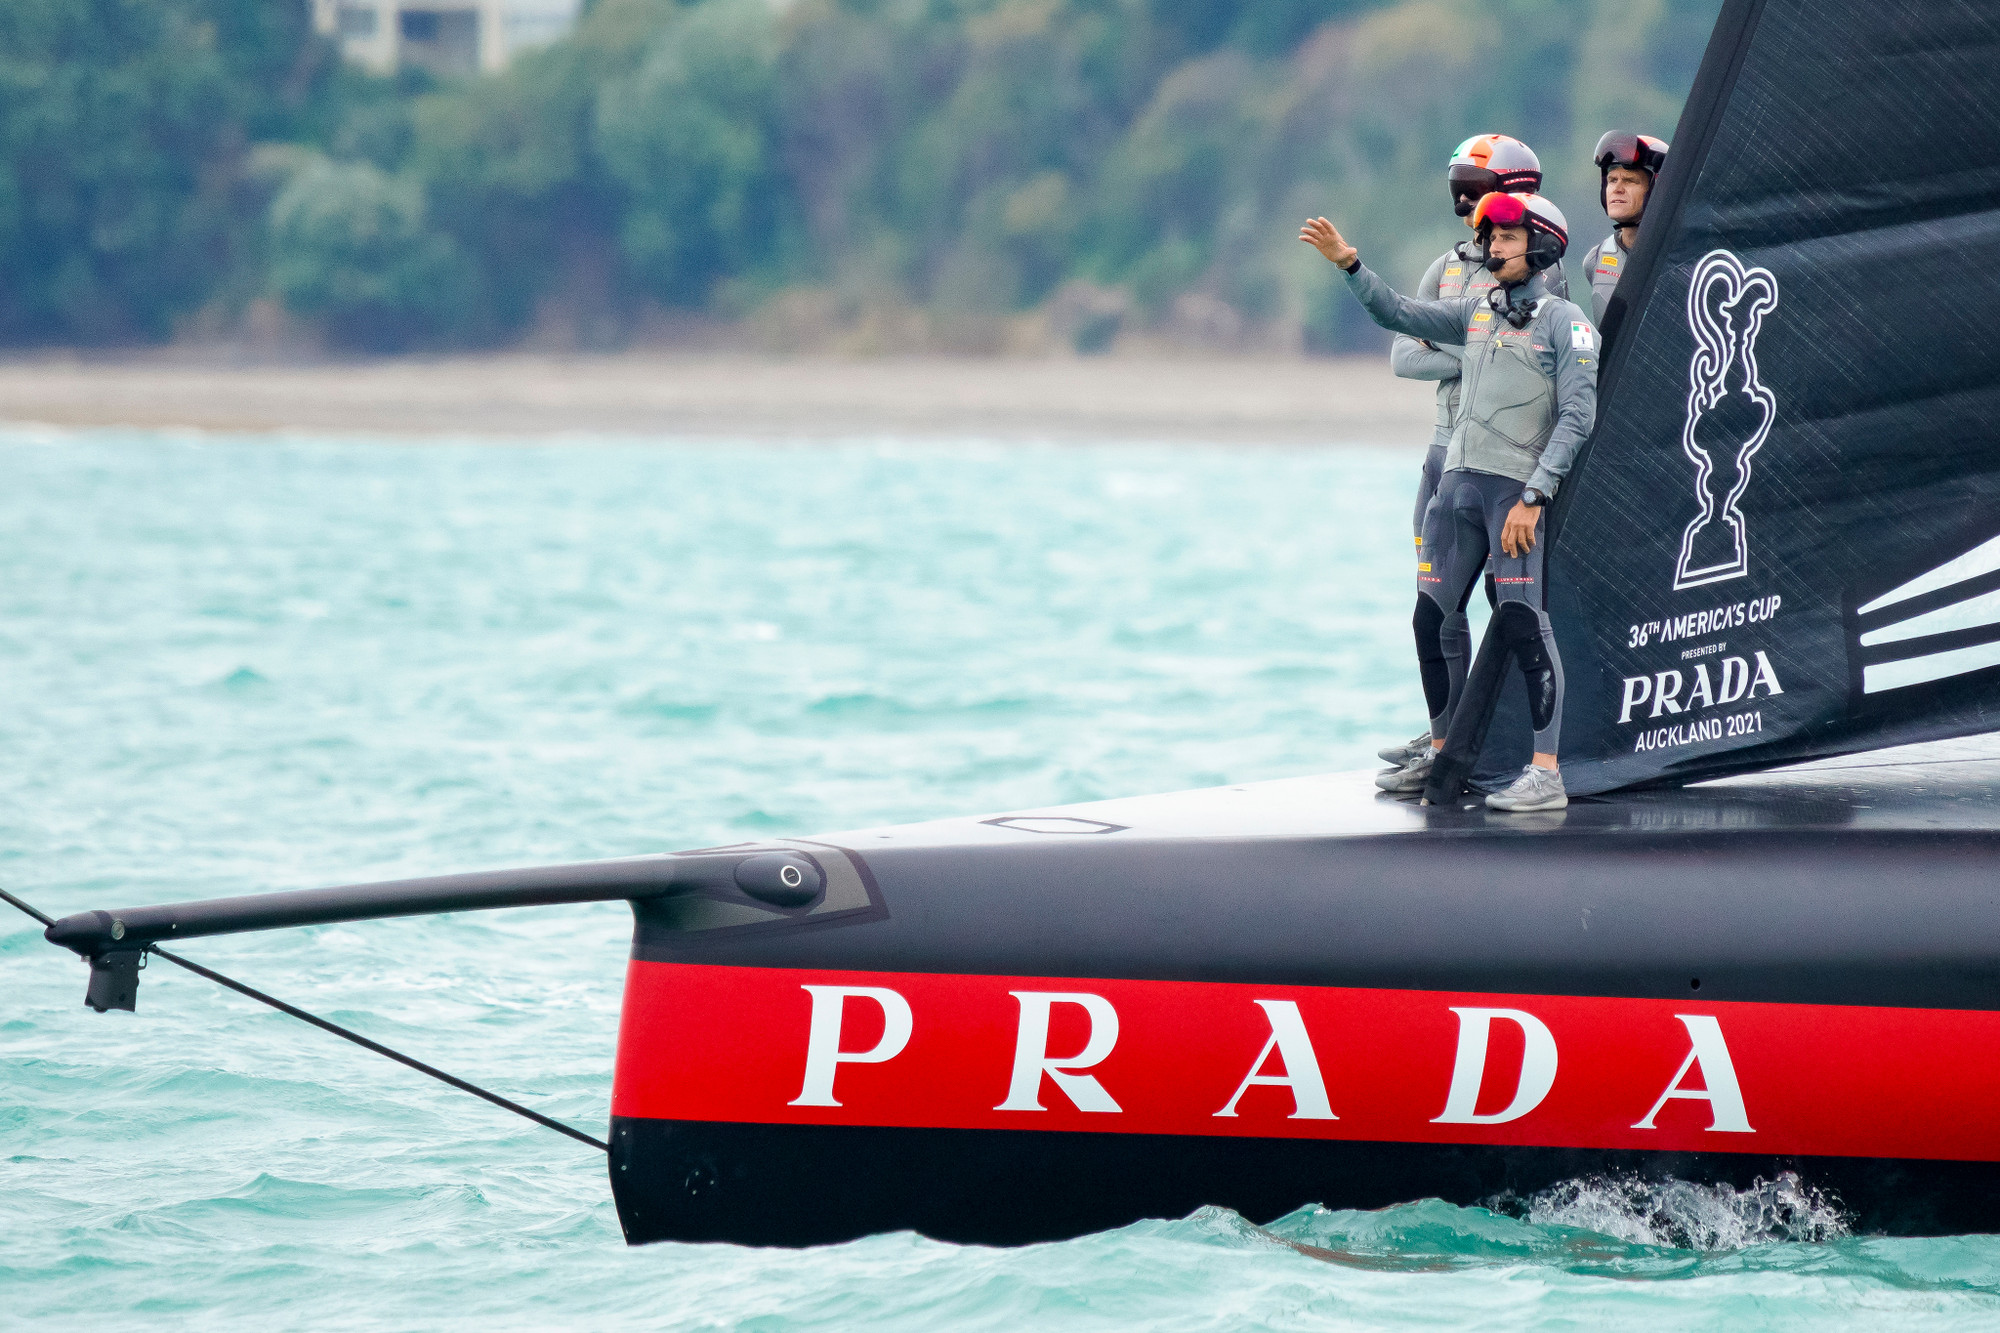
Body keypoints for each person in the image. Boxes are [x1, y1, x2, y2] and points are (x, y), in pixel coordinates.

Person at [1301, 192, 1596, 812]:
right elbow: (1399, 315)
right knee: (1428, 619)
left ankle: (1546, 774)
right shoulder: (1475, 313)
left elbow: (1578, 416)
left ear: (1540, 244)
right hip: (1454, 492)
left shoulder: (1565, 321)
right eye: (1489, 239)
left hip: (1513, 498)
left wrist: (1536, 495)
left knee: (1522, 624)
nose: (1493, 248)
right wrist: (1351, 266)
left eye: (1507, 239)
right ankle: (1441, 753)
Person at [1378, 136, 1564, 772]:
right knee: (1435, 605)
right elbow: (1404, 352)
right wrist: (1482, 349)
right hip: (1445, 453)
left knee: (1510, 606)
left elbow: (1556, 364)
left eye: (1477, 189)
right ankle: (1444, 734)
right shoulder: (1448, 267)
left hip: (1509, 465)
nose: (1469, 209)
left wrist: (1478, 352)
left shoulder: (1542, 269)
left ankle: (1503, 736)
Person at [1579, 133, 1669, 323]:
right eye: (1612, 180)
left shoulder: (1676, 258)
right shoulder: (1595, 260)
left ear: (1657, 188)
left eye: (1629, 180)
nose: (1617, 188)